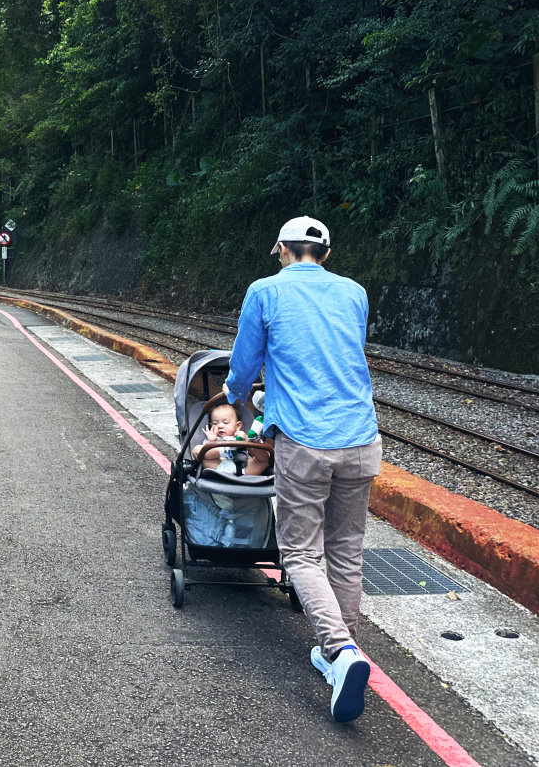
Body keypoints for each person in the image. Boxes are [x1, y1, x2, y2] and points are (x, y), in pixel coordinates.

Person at [222, 215, 381, 723]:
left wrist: (236, 395)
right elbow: (334, 356)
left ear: (281, 249)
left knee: (300, 551)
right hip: (361, 438)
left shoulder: (264, 291)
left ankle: (339, 651)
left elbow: (245, 365)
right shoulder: (354, 292)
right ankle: (343, 652)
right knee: (346, 547)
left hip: (307, 442)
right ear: (327, 255)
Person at [192, 402, 270, 476]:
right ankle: (227, 451)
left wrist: (246, 440)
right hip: (219, 466)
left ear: (238, 425)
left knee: (264, 459)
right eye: (215, 423)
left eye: (225, 422)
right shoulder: (213, 438)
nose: (220, 426)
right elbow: (202, 455)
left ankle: (254, 439)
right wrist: (211, 441)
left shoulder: (241, 436)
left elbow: (255, 454)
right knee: (197, 450)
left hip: (245, 467)